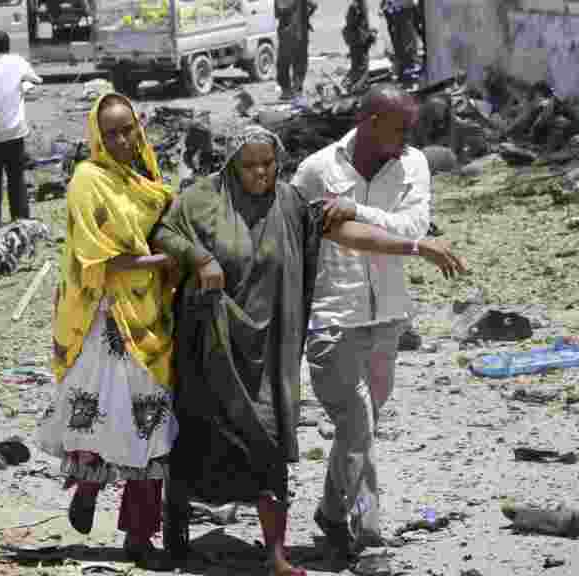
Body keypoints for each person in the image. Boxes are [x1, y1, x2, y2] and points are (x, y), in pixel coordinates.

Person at [152, 124, 465, 576]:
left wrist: (416, 247)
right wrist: (201, 258)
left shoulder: (291, 203)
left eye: (268, 163)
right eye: (250, 165)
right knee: (200, 432)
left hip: (272, 346)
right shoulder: (202, 198)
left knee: (269, 436)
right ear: (230, 164)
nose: (260, 173)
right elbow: (165, 232)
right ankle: (176, 536)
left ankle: (275, 554)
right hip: (210, 344)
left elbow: (351, 233)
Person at [290, 83, 430, 563]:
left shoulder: (414, 164)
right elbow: (297, 237)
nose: (410, 137)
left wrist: (357, 209)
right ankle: (367, 528)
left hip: (387, 315)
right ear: (372, 123)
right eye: (402, 128)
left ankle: (331, 513)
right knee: (359, 425)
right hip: (332, 317)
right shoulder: (316, 170)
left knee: (359, 432)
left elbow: (414, 228)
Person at [37, 92, 178, 570]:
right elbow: (96, 255)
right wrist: (162, 260)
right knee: (102, 410)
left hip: (149, 315)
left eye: (128, 129)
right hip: (103, 318)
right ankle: (89, 485)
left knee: (148, 421)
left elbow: (166, 224)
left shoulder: (144, 179)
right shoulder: (86, 180)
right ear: (97, 137)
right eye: (112, 132)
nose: (122, 139)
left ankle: (138, 536)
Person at [0, 31, 42, 230]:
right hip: (15, 132)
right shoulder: (19, 62)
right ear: (9, 45)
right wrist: (24, 83)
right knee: (16, 176)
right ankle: (20, 220)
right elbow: (36, 81)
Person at [275, 0, 316, 101]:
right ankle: (289, 90)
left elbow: (314, 5)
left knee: (297, 62)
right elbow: (280, 10)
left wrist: (306, 16)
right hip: (292, 32)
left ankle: (294, 90)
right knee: (287, 62)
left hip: (296, 32)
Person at [380, 0, 421, 85]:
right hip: (396, 17)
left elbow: (412, 5)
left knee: (407, 45)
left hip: (404, 14)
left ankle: (409, 72)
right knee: (400, 46)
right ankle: (404, 72)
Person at [342, 0, 376, 91]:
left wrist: (369, 34)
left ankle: (356, 85)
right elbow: (354, 24)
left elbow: (359, 24)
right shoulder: (356, 7)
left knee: (360, 65)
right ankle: (356, 86)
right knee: (360, 65)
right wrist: (368, 35)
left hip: (358, 40)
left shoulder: (357, 6)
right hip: (358, 41)